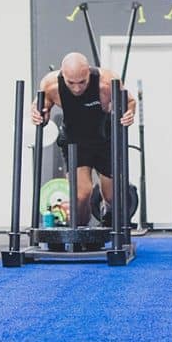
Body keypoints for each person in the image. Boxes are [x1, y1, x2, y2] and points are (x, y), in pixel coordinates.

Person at [31, 52, 135, 226]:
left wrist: (129, 113)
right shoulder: (50, 84)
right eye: (71, 83)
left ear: (88, 72)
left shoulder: (107, 82)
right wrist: (38, 113)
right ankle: (80, 232)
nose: (77, 88)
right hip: (75, 142)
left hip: (105, 140)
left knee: (112, 195)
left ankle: (108, 212)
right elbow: (40, 105)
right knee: (81, 194)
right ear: (62, 75)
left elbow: (130, 101)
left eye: (82, 82)